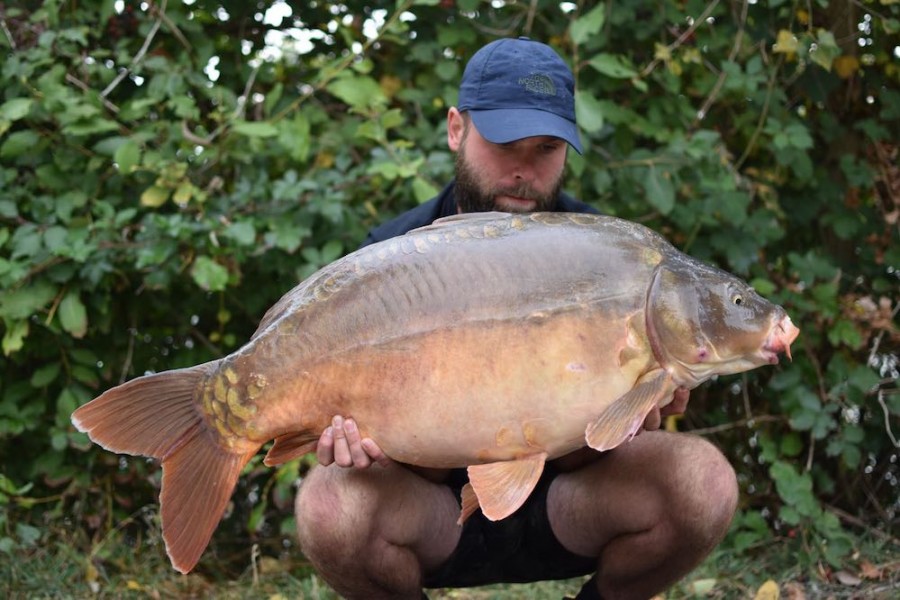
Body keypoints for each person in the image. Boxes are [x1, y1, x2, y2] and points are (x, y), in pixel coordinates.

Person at [294, 37, 738, 600]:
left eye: (547, 148)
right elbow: (416, 461)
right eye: (506, 144)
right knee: (329, 503)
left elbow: (582, 454)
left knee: (704, 482)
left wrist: (629, 415)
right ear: (457, 129)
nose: (525, 172)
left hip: (566, 502)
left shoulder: (606, 258)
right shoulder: (392, 258)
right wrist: (361, 437)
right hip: (430, 511)